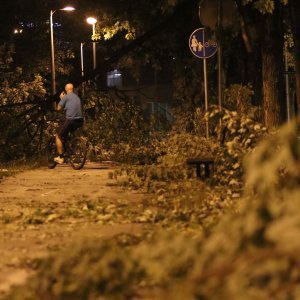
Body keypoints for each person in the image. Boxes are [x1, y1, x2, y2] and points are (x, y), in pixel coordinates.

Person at [54, 83, 84, 164]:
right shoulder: (77, 97)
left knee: (58, 137)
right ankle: (72, 149)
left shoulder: (66, 97)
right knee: (68, 134)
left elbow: (58, 108)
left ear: (66, 90)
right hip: (80, 120)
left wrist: (61, 98)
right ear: (73, 89)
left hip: (71, 120)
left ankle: (61, 157)